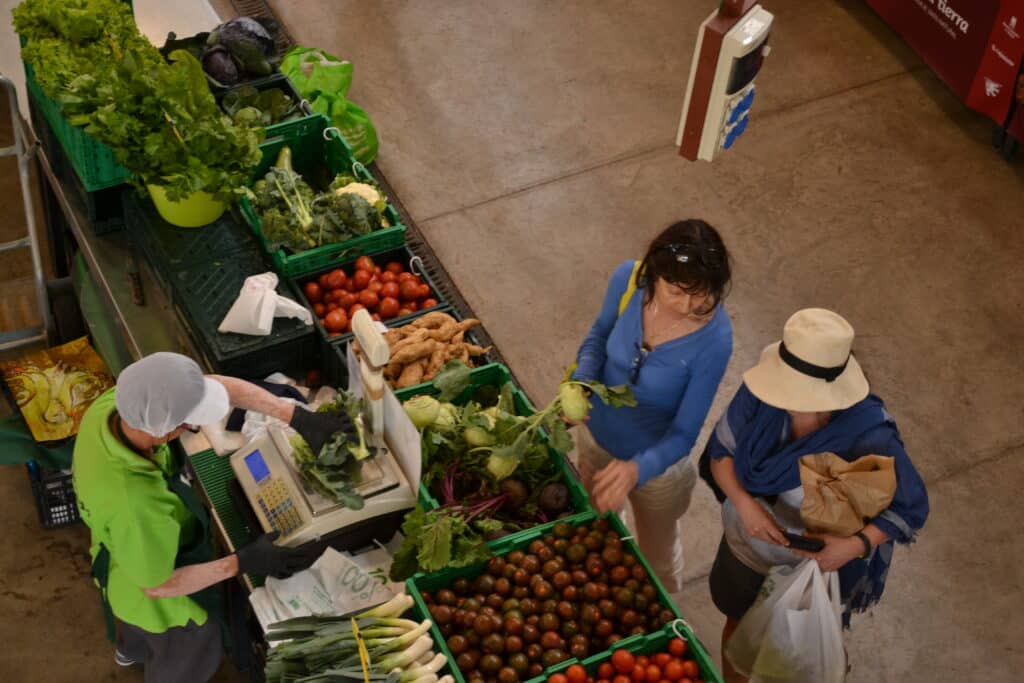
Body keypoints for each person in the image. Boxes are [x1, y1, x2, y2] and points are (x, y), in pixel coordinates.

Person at [72, 352, 356, 683]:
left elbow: (211, 386)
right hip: (153, 597)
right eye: (191, 423)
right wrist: (242, 561)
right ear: (167, 430)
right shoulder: (137, 503)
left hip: (118, 550)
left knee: (133, 630)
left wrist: (295, 416)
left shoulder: (119, 406)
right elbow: (157, 585)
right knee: (191, 645)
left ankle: (130, 649)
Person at [704, 308, 929, 683]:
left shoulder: (867, 436)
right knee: (738, 623)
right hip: (748, 545)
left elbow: (911, 506)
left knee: (806, 652)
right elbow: (720, 455)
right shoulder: (762, 394)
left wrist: (855, 545)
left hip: (816, 567)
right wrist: (745, 505)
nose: (784, 394)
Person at [570, 219, 733, 593]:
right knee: (597, 533)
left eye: (702, 295)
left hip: (659, 473)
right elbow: (598, 336)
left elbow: (685, 433)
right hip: (595, 442)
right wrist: (581, 383)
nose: (689, 306)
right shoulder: (629, 280)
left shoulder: (715, 341)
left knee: (657, 562)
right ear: (656, 275)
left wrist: (637, 469)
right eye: (677, 291)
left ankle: (667, 616)